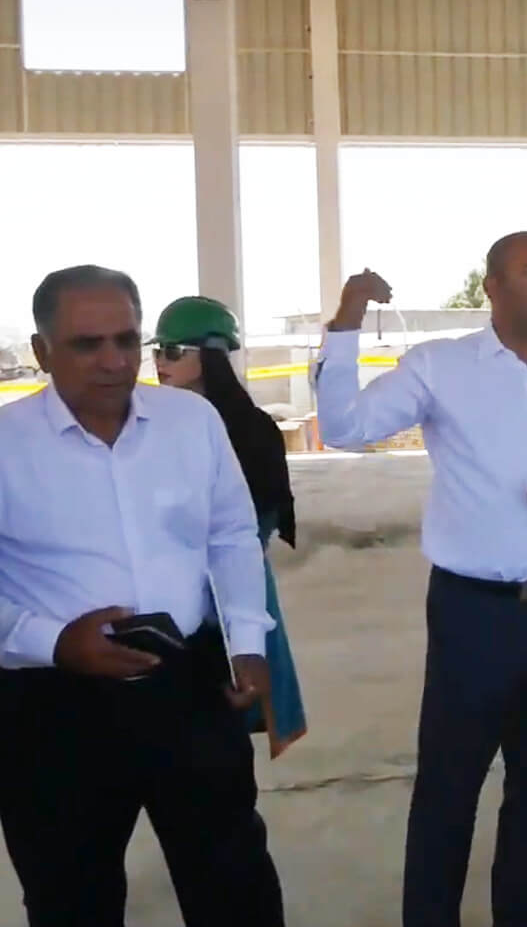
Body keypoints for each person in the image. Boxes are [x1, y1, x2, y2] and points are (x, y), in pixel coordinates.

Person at [314, 234, 527, 927]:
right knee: (449, 789)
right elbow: (344, 427)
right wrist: (346, 321)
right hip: (474, 616)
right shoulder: (440, 366)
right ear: (492, 288)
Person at [0, 266, 284, 927]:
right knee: (71, 897)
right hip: (49, 706)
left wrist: (246, 640)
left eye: (127, 339)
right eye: (87, 344)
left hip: (186, 682)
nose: (114, 361)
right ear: (42, 350)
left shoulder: (193, 422)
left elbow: (230, 534)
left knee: (234, 885)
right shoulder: (7, 444)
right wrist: (54, 642)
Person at [152, 295, 308, 757]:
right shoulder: (150, 424)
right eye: (157, 351)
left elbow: (256, 521)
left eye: (173, 352)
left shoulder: (251, 430)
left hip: (223, 599)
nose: (160, 362)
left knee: (223, 720)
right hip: (163, 599)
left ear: (212, 355)